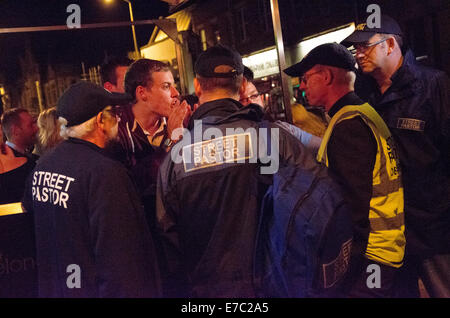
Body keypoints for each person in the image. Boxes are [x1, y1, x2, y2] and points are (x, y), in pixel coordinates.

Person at [156, 45, 324, 297]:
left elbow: (169, 238)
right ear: (243, 85)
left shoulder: (176, 158)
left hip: (207, 292)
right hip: (273, 285)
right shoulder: (274, 139)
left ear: (198, 86)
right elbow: (314, 206)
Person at [284, 42, 405, 297]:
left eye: (306, 79)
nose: (302, 86)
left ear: (326, 76)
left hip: (371, 258)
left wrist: (346, 272)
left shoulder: (348, 125)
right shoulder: (360, 112)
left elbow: (353, 209)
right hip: (384, 250)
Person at [342, 14, 450, 297]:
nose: (359, 53)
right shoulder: (365, 94)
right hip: (391, 234)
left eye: (365, 46)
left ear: (390, 44)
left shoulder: (433, 86)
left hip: (434, 229)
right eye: (356, 48)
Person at [22, 82, 161, 297]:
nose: (119, 119)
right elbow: (123, 259)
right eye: (114, 114)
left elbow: (30, 216)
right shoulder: (105, 173)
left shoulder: (44, 166)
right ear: (100, 121)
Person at [117, 59, 191, 229]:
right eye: (166, 86)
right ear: (142, 93)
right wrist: (171, 142)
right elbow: (133, 185)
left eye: (174, 85)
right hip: (138, 226)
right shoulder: (117, 129)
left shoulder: (182, 122)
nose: (175, 93)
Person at [241, 66, 322, 153]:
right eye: (241, 100)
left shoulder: (284, 129)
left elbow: (324, 146)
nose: (251, 102)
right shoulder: (233, 144)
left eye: (254, 96)